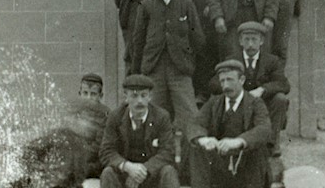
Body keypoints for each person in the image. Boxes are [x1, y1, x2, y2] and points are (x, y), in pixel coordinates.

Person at [131, 0, 205, 133]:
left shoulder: (185, 3)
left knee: (190, 116)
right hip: (153, 69)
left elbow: (198, 39)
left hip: (180, 69)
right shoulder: (146, 5)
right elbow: (138, 42)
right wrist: (138, 72)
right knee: (152, 116)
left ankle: (192, 150)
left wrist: (187, 60)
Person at [212, 21, 290, 160]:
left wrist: (262, 89)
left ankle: (271, 143)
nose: (250, 44)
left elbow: (283, 84)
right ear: (240, 41)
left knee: (280, 99)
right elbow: (214, 83)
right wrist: (236, 88)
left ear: (261, 41)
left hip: (263, 104)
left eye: (254, 40)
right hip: (240, 103)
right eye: (246, 40)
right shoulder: (232, 60)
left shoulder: (272, 60)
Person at [187, 60, 271, 188]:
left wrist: (239, 141)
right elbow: (195, 123)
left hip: (247, 168)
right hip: (221, 167)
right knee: (197, 144)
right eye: (222, 81)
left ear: (242, 80)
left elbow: (264, 128)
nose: (225, 86)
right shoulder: (214, 102)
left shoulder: (255, 103)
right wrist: (204, 139)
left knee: (258, 148)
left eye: (230, 80)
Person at [100, 74, 180, 188]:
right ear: (126, 97)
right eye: (134, 96)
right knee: (108, 173)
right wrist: (127, 167)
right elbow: (106, 150)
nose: (140, 101)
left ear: (150, 97)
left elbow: (168, 151)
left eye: (144, 95)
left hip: (152, 175)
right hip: (126, 175)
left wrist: (143, 170)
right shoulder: (115, 117)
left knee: (169, 172)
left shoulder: (161, 117)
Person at [73, 73, 111, 178]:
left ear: (100, 96)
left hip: (96, 161)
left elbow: (99, 144)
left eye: (93, 94)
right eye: (85, 93)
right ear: (80, 94)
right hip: (76, 158)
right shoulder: (74, 113)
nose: (88, 98)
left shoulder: (106, 115)